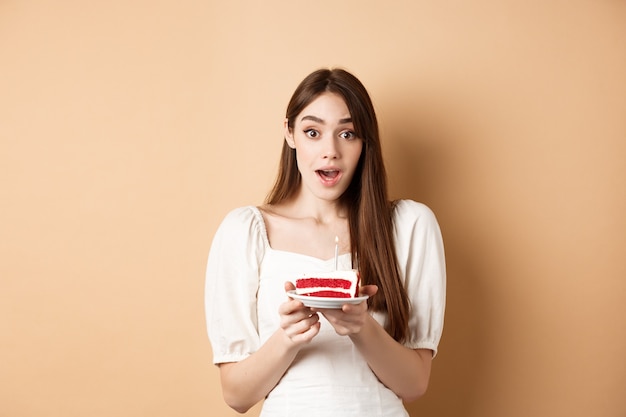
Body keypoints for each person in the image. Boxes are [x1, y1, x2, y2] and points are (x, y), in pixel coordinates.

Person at [205, 68, 446, 417]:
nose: (330, 151)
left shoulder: (408, 226)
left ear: (365, 143)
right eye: (312, 132)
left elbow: (414, 385)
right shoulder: (244, 231)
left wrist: (362, 327)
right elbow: (237, 395)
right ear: (290, 134)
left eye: (347, 133)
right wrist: (287, 337)